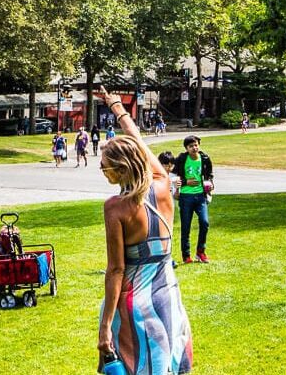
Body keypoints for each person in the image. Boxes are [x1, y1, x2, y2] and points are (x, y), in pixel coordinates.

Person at [97, 86, 193, 374]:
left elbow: (116, 270)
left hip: (132, 305)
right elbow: (138, 142)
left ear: (120, 169)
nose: (102, 172)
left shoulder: (115, 207)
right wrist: (118, 108)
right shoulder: (163, 184)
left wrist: (104, 329)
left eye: (104, 168)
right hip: (167, 295)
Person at [173, 135, 214, 264]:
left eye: (196, 145)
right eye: (191, 146)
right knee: (186, 227)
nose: (194, 148)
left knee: (204, 222)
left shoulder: (205, 158)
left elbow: (210, 175)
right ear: (186, 148)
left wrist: (210, 184)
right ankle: (186, 256)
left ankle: (200, 252)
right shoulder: (182, 159)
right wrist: (185, 182)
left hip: (201, 196)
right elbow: (173, 175)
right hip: (185, 197)